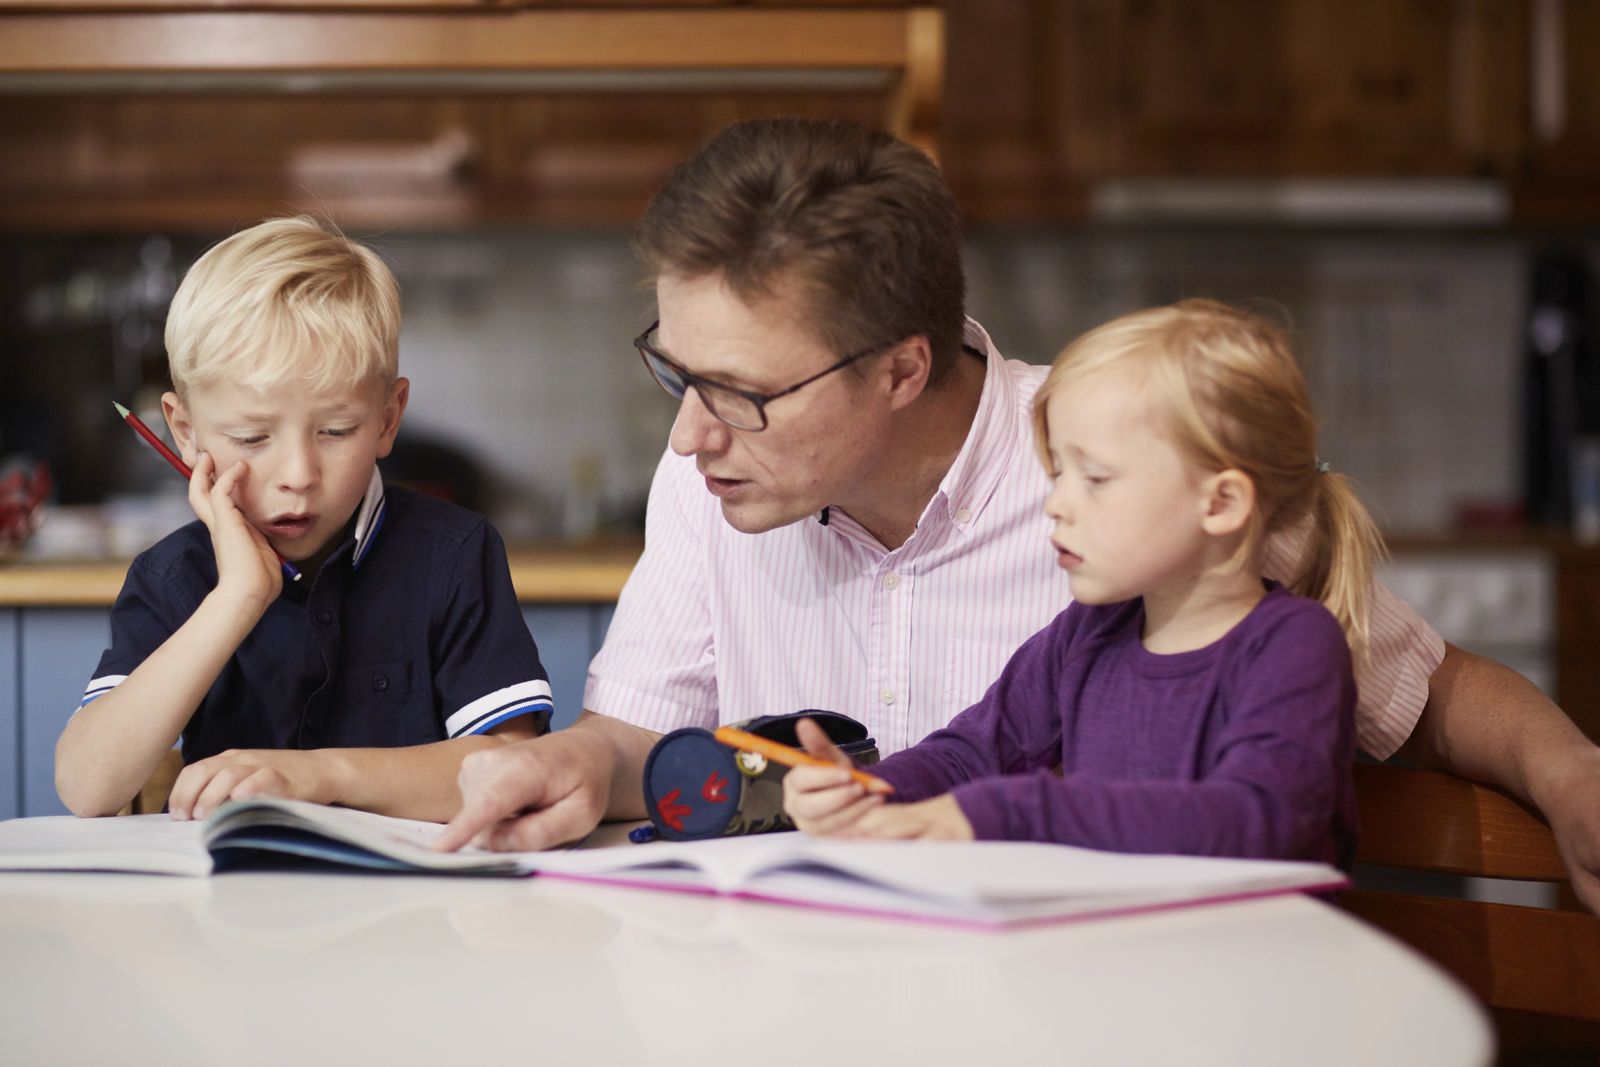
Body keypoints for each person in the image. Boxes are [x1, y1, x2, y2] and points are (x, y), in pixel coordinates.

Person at [435, 118, 1600, 914]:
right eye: (675, 374)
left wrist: (1570, 773)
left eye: (742, 392)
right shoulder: (712, 481)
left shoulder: (1135, 473)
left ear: (898, 368)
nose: (690, 435)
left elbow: (1422, 692)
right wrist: (582, 762)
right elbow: (649, 739)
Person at [783, 299, 1370, 863]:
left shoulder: (1293, 645)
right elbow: (968, 756)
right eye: (1057, 474)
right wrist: (867, 788)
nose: (1056, 505)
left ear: (1220, 503)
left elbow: (1255, 819)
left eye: (1094, 478)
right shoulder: (1088, 634)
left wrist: (1013, 812)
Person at [56, 217, 553, 821]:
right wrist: (237, 597)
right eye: (251, 436)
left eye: (336, 431)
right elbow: (87, 787)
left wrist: (319, 776)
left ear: (388, 419)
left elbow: (510, 769)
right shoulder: (174, 576)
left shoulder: (452, 553)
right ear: (184, 433)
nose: (298, 474)